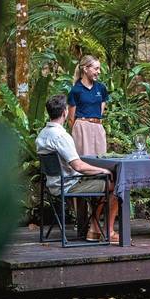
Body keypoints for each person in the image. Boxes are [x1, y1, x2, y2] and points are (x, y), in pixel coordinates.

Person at [36, 94, 119, 242]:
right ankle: (107, 230)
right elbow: (78, 166)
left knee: (99, 181)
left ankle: (92, 229)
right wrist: (102, 170)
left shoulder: (42, 135)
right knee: (118, 184)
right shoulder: (61, 136)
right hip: (68, 185)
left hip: (52, 184)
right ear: (65, 112)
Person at [68, 55, 109, 156]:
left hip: (98, 127)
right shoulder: (76, 90)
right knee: (84, 159)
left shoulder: (101, 88)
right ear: (86, 69)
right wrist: (77, 132)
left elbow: (102, 106)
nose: (99, 72)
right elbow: (71, 119)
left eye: (99, 68)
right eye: (96, 68)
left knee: (101, 158)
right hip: (82, 127)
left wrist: (96, 121)